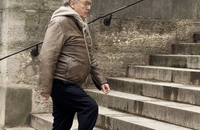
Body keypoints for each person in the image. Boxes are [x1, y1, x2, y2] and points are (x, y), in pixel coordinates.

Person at [37, 0, 110, 130]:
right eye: (85, 3)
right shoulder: (60, 22)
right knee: (89, 107)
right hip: (62, 82)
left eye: (90, 4)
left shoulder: (79, 23)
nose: (88, 7)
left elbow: (89, 56)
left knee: (62, 124)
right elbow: (47, 56)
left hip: (70, 82)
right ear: (72, 4)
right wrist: (45, 87)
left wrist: (101, 80)